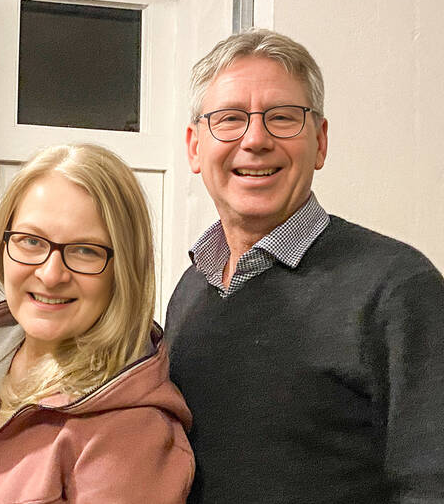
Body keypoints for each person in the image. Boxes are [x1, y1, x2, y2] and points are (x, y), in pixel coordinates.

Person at [165, 28, 444, 503]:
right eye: (230, 119)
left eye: (283, 118)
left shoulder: (400, 289)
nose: (255, 139)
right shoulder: (191, 288)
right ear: (195, 146)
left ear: (320, 141)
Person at [0, 144, 194, 503]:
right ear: (2, 243)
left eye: (85, 250)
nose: (51, 273)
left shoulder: (133, 430)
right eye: (30, 241)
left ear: (124, 270)